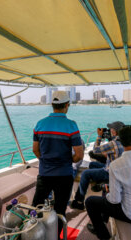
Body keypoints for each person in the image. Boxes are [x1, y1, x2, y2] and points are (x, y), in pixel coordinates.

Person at [85, 125, 131, 240]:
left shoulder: (115, 165)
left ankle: (104, 236)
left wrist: (108, 191)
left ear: (122, 142)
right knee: (107, 194)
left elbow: (115, 200)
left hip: (129, 214)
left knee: (90, 201)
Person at [32, 91, 84, 239]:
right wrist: (68, 160)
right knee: (60, 209)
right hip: (64, 174)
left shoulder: (40, 124)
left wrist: (47, 160)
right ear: (67, 105)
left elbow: (35, 150)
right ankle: (55, 235)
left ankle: (33, 234)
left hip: (44, 174)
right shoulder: (71, 125)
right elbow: (79, 155)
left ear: (52, 105)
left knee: (36, 207)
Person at [70, 121, 125, 210]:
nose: (109, 131)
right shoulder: (124, 141)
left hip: (110, 172)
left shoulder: (113, 143)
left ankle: (79, 201)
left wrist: (99, 136)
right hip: (116, 169)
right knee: (92, 164)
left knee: (85, 174)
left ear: (114, 131)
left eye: (111, 129)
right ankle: (100, 181)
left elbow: (95, 150)